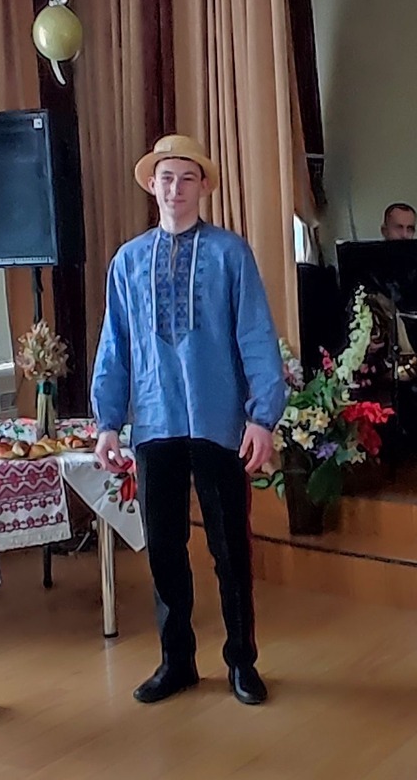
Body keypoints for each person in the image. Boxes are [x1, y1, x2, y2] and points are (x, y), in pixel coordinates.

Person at [92, 135, 288, 706]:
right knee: (163, 548)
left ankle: (241, 661)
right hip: (154, 424)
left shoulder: (230, 254)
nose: (175, 188)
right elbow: (115, 346)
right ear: (152, 186)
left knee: (231, 549)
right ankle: (175, 661)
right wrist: (108, 422)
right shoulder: (128, 261)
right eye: (166, 178)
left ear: (203, 186)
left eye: (186, 178)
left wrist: (262, 417)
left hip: (220, 422)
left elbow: (255, 335)